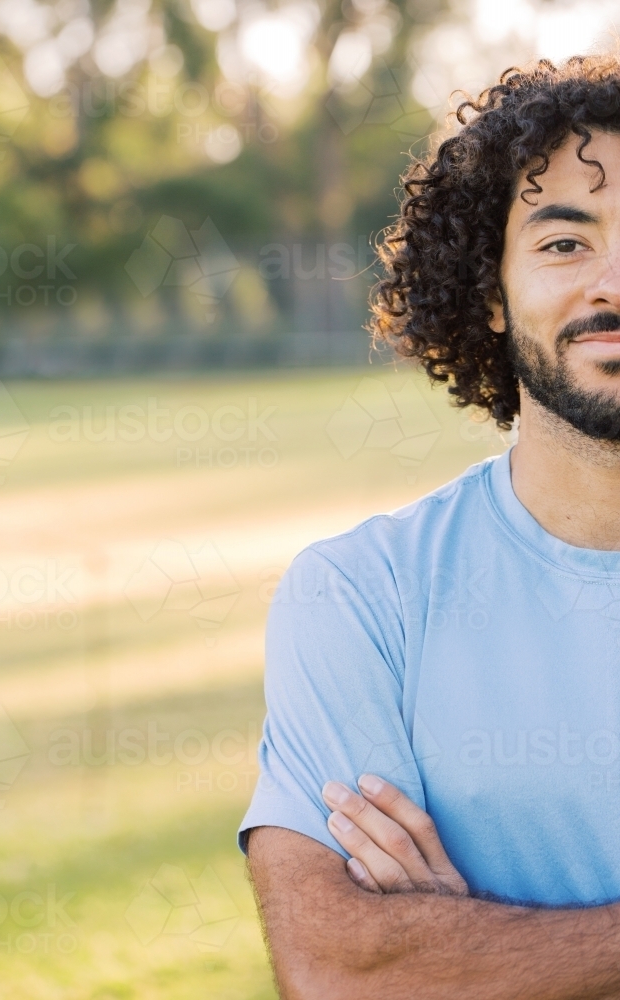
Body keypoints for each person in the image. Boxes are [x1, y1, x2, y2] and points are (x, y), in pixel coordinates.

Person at [240, 54, 620, 998]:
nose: (612, 283)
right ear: (488, 294)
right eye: (563, 243)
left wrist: (470, 949)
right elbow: (340, 969)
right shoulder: (365, 594)